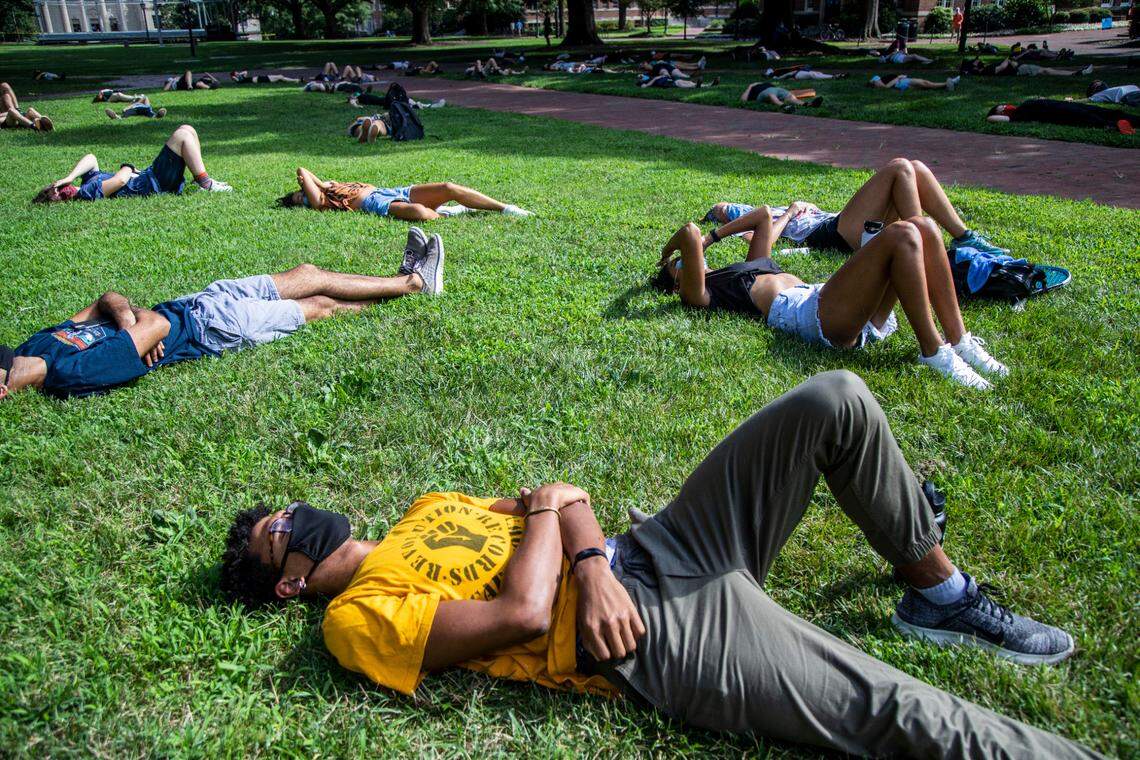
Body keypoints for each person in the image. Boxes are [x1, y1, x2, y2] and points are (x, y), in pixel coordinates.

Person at [216, 372, 1097, 758]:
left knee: (835, 400)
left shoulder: (423, 511)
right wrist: (563, 531)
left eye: (283, 507)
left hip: (653, 548)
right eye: (275, 532)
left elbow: (559, 489)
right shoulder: (352, 622)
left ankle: (936, 593)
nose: (292, 516)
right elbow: (524, 612)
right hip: (652, 639)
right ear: (288, 579)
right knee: (900, 711)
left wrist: (589, 557)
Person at [0, 229, 444, 401]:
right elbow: (157, 325)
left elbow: (108, 298)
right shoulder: (73, 374)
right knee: (321, 307)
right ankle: (414, 285)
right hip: (211, 330)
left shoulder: (36, 346)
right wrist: (140, 323)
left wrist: (126, 322)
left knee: (307, 273)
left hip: (197, 301)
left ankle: (400, 280)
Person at [653, 213, 1007, 389]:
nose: (692, 259)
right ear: (679, 284)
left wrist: (716, 235)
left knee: (924, 226)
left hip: (842, 305)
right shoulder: (703, 293)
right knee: (901, 234)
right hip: (813, 315)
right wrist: (676, 251)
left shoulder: (750, 265)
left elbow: (762, 214)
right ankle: (934, 352)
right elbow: (689, 232)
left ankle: (960, 342)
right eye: (681, 265)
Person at [703, 157, 1010, 256]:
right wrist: (790, 212)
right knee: (900, 167)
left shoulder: (766, 210)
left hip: (841, 222)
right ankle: (931, 252)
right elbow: (762, 245)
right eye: (721, 211)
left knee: (914, 168)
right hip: (833, 234)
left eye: (722, 208)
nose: (722, 209)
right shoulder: (749, 220)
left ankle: (964, 237)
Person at [32, 124, 232, 203]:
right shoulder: (86, 192)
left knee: (187, 129)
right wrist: (127, 167)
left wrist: (69, 177)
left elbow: (91, 158)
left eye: (55, 189)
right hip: (152, 183)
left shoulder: (87, 181)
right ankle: (206, 184)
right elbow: (119, 181)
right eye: (55, 195)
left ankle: (202, 182)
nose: (60, 190)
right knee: (182, 136)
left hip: (149, 177)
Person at [277, 167, 534, 221]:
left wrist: (324, 184)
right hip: (374, 203)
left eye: (300, 194)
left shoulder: (331, 188)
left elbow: (305, 173)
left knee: (449, 188)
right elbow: (302, 170)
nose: (304, 196)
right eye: (302, 199)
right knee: (420, 214)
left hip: (386, 191)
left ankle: (506, 208)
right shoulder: (321, 201)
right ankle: (449, 214)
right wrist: (319, 187)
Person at [987, 99, 1138, 134]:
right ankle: (1112, 126)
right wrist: (998, 112)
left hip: (1056, 104)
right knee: (1085, 116)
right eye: (1002, 107)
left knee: (1098, 110)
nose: (1006, 106)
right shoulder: (1017, 116)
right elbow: (990, 119)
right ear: (1000, 112)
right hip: (1056, 112)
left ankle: (1131, 119)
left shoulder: (1022, 108)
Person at [741, 81, 821, 109]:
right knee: (771, 95)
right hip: (764, 93)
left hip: (777, 89)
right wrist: (750, 86)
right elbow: (743, 100)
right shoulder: (752, 88)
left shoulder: (767, 84)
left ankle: (808, 104)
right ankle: (784, 106)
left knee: (791, 97)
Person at [869, 73, 960, 92]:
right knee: (926, 83)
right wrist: (898, 77)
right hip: (901, 83)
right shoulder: (876, 80)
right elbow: (887, 87)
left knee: (926, 85)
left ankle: (947, 85)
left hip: (902, 82)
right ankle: (950, 83)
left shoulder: (879, 79)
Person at [765, 64, 844, 81]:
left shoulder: (779, 71)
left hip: (799, 72)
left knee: (818, 73)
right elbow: (788, 75)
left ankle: (837, 76)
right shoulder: (777, 75)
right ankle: (834, 77)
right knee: (813, 75)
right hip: (797, 74)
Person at [640, 74, 719, 90]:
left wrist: (662, 76)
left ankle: (710, 84)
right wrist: (645, 85)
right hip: (671, 83)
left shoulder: (655, 77)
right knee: (681, 84)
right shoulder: (652, 81)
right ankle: (697, 86)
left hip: (675, 80)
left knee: (690, 82)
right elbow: (646, 85)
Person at [230, 70, 301, 84]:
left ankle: (295, 80)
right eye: (236, 72)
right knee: (280, 77)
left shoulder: (241, 76)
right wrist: (235, 76)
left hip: (260, 78)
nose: (237, 72)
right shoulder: (238, 79)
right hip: (259, 79)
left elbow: (245, 71)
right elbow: (236, 80)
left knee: (280, 76)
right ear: (234, 75)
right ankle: (295, 80)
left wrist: (239, 73)